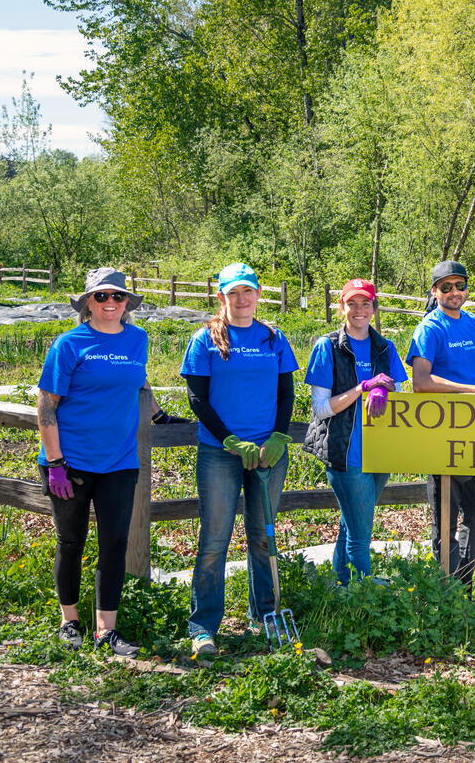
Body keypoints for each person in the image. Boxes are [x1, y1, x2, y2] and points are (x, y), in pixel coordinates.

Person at [37, 267, 164, 657]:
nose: (110, 303)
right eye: (102, 297)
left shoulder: (137, 339)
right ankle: (69, 621)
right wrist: (56, 462)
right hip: (70, 462)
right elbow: (46, 404)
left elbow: (137, 379)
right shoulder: (69, 345)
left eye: (118, 297)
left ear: (127, 303)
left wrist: (158, 413)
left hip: (120, 462)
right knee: (71, 541)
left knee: (114, 543)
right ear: (88, 302)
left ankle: (105, 631)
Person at [181, 263, 299, 656]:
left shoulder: (273, 337)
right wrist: (229, 440)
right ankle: (204, 626)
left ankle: (264, 615)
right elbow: (197, 399)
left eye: (248, 291)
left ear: (258, 294)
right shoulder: (205, 340)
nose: (242, 299)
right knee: (214, 540)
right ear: (222, 297)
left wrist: (279, 436)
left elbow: (286, 394)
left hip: (268, 453)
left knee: (263, 537)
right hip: (220, 453)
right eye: (234, 293)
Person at [302, 278, 408, 585]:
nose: (359, 310)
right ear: (342, 307)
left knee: (351, 526)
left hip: (380, 452)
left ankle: (340, 587)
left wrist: (386, 391)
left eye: (365, 303)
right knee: (361, 535)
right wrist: (361, 389)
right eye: (352, 303)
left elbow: (400, 394)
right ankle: (364, 596)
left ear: (374, 308)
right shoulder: (328, 347)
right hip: (346, 453)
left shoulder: (385, 348)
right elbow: (321, 409)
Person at [407, 260, 475, 592]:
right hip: (442, 434)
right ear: (435, 291)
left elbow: (472, 369)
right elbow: (421, 381)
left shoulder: (472, 323)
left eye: (460, 286)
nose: (454, 292)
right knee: (445, 521)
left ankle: (462, 583)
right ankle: (447, 594)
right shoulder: (430, 328)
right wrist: (469, 390)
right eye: (446, 287)